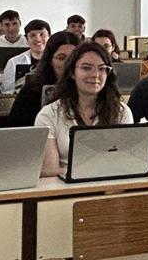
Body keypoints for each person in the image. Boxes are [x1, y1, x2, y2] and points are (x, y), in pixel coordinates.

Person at [36, 42, 133, 177]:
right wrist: (91, 173)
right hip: (66, 186)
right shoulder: (49, 114)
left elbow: (126, 163)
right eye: (86, 68)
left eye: (102, 69)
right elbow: (50, 170)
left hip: (111, 185)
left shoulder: (121, 112)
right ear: (72, 72)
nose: (95, 75)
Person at [6, 32, 80, 128]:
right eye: (61, 58)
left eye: (73, 58)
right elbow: (17, 129)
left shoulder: (89, 90)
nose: (68, 63)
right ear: (50, 61)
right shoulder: (32, 90)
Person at [0, 19, 51, 94]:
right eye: (33, 35)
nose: (38, 39)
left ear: (50, 37)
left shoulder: (58, 60)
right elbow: (7, 92)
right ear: (27, 40)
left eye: (42, 34)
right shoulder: (13, 62)